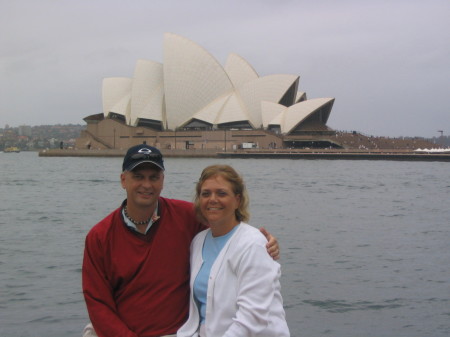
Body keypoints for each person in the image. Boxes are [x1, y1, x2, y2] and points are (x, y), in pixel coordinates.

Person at [82, 145, 279, 337]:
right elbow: (97, 303)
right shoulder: (100, 236)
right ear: (123, 180)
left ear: (162, 181)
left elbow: (229, 232)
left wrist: (265, 244)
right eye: (138, 177)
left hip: (175, 332)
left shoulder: (187, 217)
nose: (147, 185)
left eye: (154, 177)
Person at [177, 165, 290, 337]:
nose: (212, 199)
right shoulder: (198, 242)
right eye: (206, 194)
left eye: (221, 193)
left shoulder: (253, 244)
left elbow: (253, 317)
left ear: (237, 200)